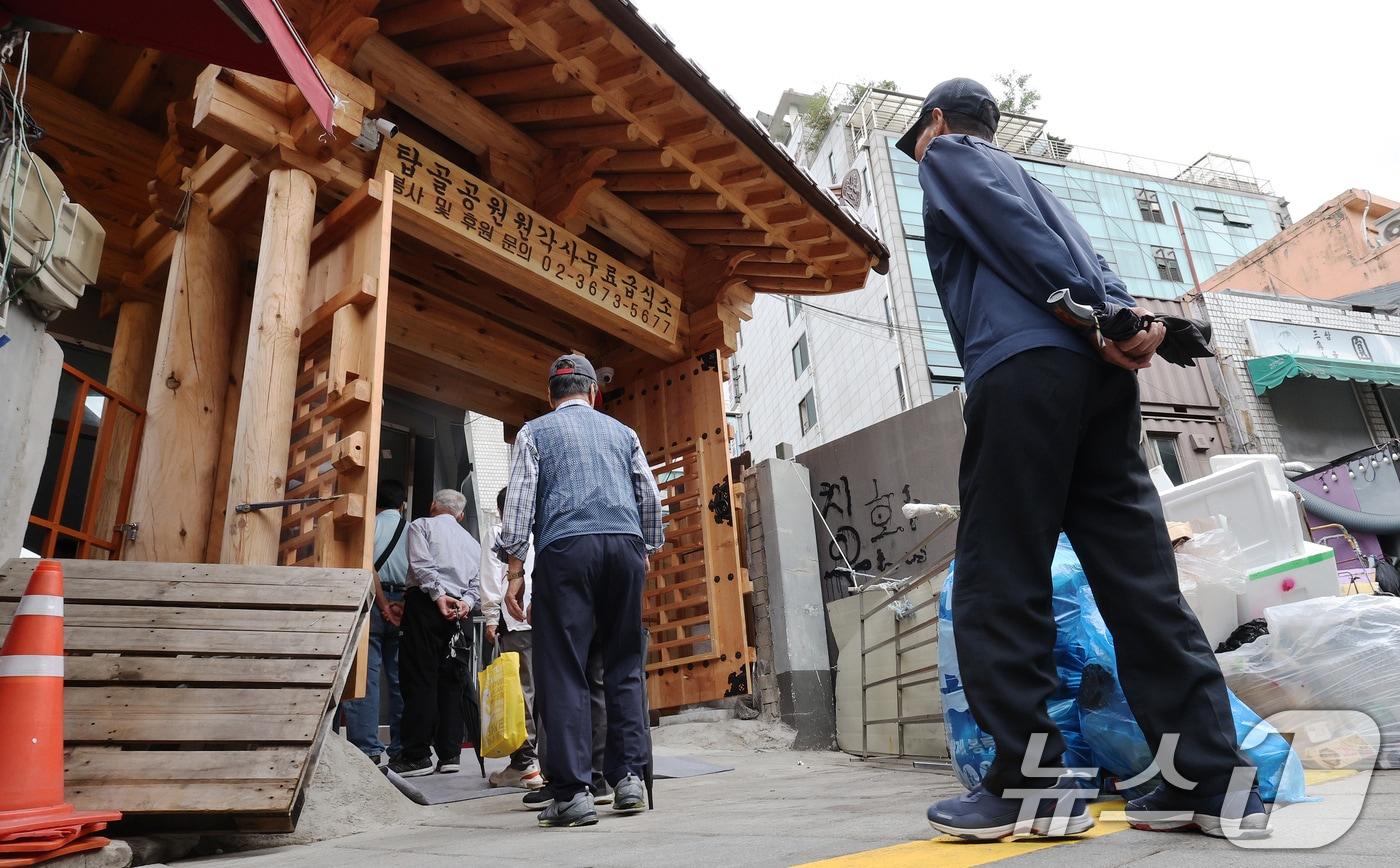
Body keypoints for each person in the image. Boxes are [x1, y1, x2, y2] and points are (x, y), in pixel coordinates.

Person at [895, 79, 1264, 840]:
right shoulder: (1044, 187)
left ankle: (1031, 791)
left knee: (1000, 576)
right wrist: (1122, 320)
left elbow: (1011, 238)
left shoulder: (952, 156)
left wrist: (1099, 311)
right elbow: (1086, 264)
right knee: (1140, 581)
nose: (922, 153)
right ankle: (1211, 783)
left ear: (936, 122)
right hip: (1102, 380)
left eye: (922, 137)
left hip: (1026, 371)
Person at [500, 354, 664, 828]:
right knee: (624, 664)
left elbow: (520, 505)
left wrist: (514, 570)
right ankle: (630, 778)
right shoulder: (624, 434)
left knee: (565, 670)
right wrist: (644, 547)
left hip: (565, 550)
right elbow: (648, 498)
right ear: (594, 392)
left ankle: (573, 793)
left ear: (550, 395)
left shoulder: (535, 433)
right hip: (624, 546)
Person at [388, 488, 481, 779]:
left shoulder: (421, 526)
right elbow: (476, 583)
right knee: (451, 680)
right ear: (461, 515)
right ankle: (450, 753)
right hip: (459, 614)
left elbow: (421, 565)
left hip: (427, 606)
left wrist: (438, 595)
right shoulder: (471, 541)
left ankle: (417, 754)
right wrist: (464, 603)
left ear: (432, 505)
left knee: (419, 677)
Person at [341, 479, 409, 765]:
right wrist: (400, 606)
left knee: (365, 677)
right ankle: (403, 747)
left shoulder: (369, 527)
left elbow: (366, 567)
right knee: (401, 679)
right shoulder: (413, 529)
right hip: (403, 605)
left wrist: (382, 606)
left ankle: (367, 748)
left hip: (372, 602)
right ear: (402, 505)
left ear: (375, 504)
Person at [480, 487, 544, 790]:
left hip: (516, 620)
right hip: (550, 619)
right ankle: (551, 761)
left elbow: (492, 577)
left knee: (522, 692)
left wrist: (492, 618)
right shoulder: (546, 528)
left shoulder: (498, 533)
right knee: (550, 689)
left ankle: (525, 765)